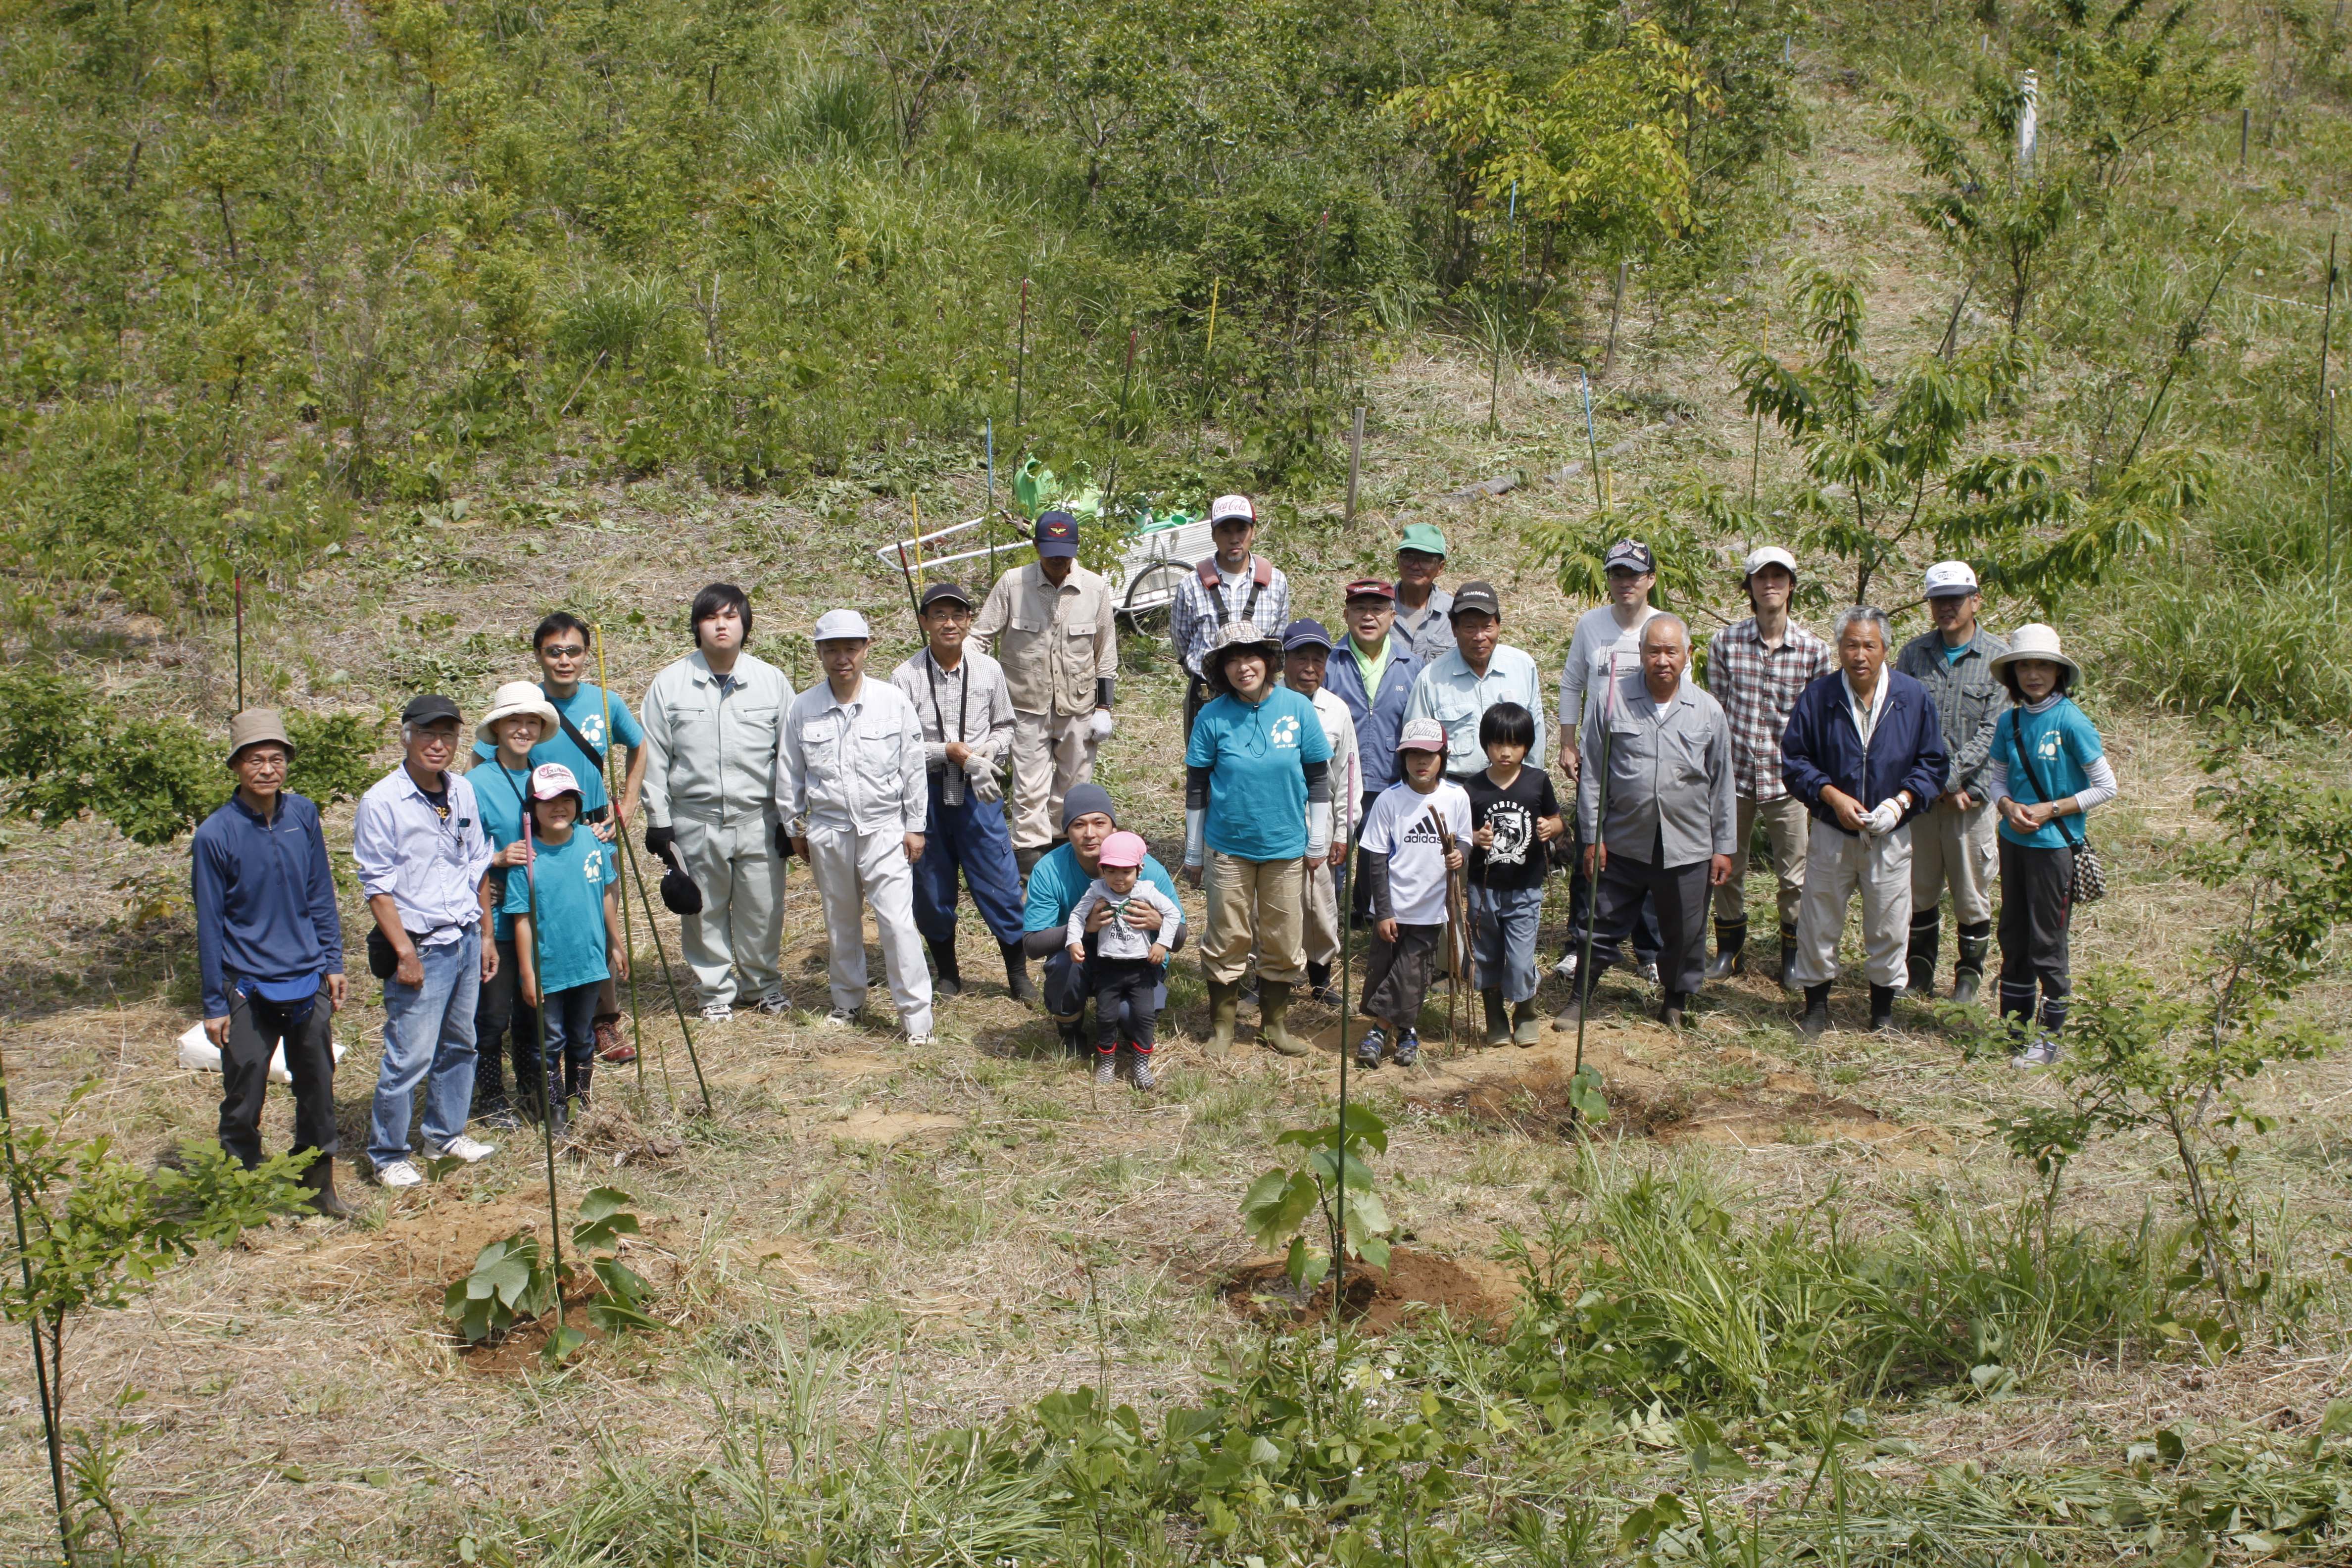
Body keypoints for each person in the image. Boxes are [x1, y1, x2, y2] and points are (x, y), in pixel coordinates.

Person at [192, 710, 349, 1216]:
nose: (267, 769)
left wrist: (334, 960)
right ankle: (245, 1193)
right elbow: (211, 923)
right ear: (237, 766)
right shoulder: (216, 835)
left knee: (317, 1089)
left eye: (276, 759)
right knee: (246, 1089)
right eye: (255, 759)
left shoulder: (303, 815)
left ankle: (316, 1187)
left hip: (307, 977)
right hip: (248, 984)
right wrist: (215, 1001)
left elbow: (319, 891)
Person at [471, 611, 644, 1065]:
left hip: (593, 829)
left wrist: (627, 805)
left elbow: (639, 745)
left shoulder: (607, 702)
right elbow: (480, 770)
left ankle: (602, 1019)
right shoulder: (527, 710)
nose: (564, 660)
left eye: (573, 651)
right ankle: (547, 1021)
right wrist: (487, 855)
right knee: (547, 922)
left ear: (587, 656)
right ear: (539, 655)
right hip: (539, 832)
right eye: (554, 651)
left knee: (594, 919)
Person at [1559, 617, 1735, 1031]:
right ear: (1640, 654)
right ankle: (1579, 999)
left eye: (1671, 652)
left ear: (1687, 656)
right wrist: (1593, 835)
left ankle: (1674, 1002)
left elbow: (1722, 784)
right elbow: (1593, 777)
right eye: (1653, 651)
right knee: (1599, 923)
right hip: (1623, 840)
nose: (1662, 660)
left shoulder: (1708, 711)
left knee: (1685, 930)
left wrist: (1723, 846)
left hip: (1688, 844)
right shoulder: (1612, 700)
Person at [1780, 608, 1950, 1037]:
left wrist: (1903, 801)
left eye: (1869, 645)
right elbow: (1795, 760)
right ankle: (1816, 1009)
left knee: (1890, 923)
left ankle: (1883, 1014)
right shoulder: (1819, 697)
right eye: (1851, 645)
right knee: (1819, 919)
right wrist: (1831, 796)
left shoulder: (1912, 697)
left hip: (1891, 833)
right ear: (1839, 649)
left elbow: (1933, 763)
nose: (1860, 655)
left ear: (1885, 649)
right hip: (1833, 832)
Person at [353, 695, 499, 1189]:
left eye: (448, 735)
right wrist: (404, 952)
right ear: (406, 736)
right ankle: (389, 1152)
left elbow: (477, 862)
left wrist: (485, 934)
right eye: (427, 734)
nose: (438, 745)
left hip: (464, 935)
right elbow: (378, 886)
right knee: (409, 1055)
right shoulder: (382, 801)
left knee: (462, 1044)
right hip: (421, 944)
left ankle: (445, 1135)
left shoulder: (462, 792)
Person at [639, 583, 795, 1022]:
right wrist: (660, 821)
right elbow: (653, 755)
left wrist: (790, 818)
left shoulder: (771, 682)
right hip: (696, 820)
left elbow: (790, 755)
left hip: (759, 820)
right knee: (703, 911)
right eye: (711, 617)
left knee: (763, 909)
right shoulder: (670, 685)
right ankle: (715, 994)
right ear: (697, 626)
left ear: (746, 624)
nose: (721, 625)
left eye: (731, 616)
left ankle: (762, 986)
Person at [778, 609, 934, 1042]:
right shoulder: (803, 708)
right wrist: (794, 826)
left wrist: (915, 825)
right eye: (831, 649)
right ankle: (848, 1002)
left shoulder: (892, 701)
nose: (841, 658)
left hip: (885, 828)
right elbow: (790, 770)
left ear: (867, 649)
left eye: (850, 648)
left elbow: (912, 767)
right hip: (829, 829)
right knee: (840, 920)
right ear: (820, 653)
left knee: (899, 923)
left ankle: (917, 1020)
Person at [1184, 620, 1334, 1058]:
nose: (1242, 667)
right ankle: (1223, 1027)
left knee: (1284, 938)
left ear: (1268, 662)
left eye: (1250, 657)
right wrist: (1194, 851)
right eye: (1232, 659)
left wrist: (1318, 839)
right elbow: (1197, 787)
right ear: (1222, 670)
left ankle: (1275, 1026)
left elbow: (1318, 777)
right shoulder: (1212, 716)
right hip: (1228, 846)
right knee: (1227, 935)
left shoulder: (1298, 708)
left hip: (1286, 847)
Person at [1703, 546, 1835, 989]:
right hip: (1736, 776)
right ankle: (1729, 950)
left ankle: (1792, 956)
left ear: (1792, 585)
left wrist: (1816, 781)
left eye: (1779, 576)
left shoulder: (1814, 651)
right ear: (1750, 588)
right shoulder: (1726, 644)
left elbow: (1819, 723)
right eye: (1762, 578)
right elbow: (1717, 714)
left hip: (1789, 782)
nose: (1770, 584)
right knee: (1727, 867)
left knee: (1794, 876)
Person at [891, 582, 1031, 1002]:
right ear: (924, 623)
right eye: (939, 616)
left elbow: (1006, 725)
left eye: (957, 615)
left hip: (979, 792)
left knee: (999, 881)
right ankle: (948, 972)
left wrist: (990, 748)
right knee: (931, 886)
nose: (949, 624)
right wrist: (948, 751)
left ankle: (1017, 972)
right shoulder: (905, 676)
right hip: (927, 794)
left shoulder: (988, 670)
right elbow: (899, 745)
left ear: (970, 621)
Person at [1985, 625, 2115, 1068]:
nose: (2033, 674)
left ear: (2058, 673)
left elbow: (2105, 786)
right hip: (2013, 843)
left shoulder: (2072, 721)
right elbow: (1996, 776)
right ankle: (2013, 1030)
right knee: (2013, 935)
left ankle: (2048, 1038)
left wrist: (2048, 810)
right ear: (2013, 674)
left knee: (2047, 941)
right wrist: (2005, 806)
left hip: (2053, 848)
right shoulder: (2011, 721)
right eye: (2025, 665)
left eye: (2042, 665)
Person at [973, 511, 1119, 874]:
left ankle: (1065, 864)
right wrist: (962, 671)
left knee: (1073, 789)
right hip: (1025, 707)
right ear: (1036, 546)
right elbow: (980, 637)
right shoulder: (1012, 584)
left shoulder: (1096, 588)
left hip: (1079, 708)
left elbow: (1106, 653)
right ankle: (1031, 874)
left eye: (1065, 552)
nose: (1058, 560)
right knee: (1029, 792)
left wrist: (1105, 707)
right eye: (1051, 551)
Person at [1895, 561, 2010, 1006]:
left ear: (1975, 601)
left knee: (1971, 890)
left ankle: (1968, 975)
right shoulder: (1913, 655)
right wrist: (1934, 782)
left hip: (1971, 799)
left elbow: (1992, 731)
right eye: (1939, 601)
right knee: (1920, 886)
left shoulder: (1998, 659)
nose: (1946, 608)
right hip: (1923, 798)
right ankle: (1920, 968)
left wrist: (1953, 780)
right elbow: (1905, 720)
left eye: (1955, 600)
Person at [1557, 539, 1664, 984]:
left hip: (1647, 756)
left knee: (1650, 854)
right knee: (1590, 848)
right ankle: (1580, 945)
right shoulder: (1591, 625)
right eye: (1618, 575)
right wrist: (1567, 742)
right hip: (1599, 757)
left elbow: (1682, 691)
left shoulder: (1664, 627)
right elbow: (1571, 684)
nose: (1626, 583)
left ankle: (1649, 949)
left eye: (1635, 575)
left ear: (1651, 581)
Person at [503, 765, 628, 1133]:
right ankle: (555, 1107)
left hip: (590, 961)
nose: (559, 808)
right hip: (550, 969)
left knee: (582, 1036)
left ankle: (580, 1100)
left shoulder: (593, 842)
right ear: (532, 809)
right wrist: (528, 973)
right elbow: (522, 920)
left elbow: (607, 893)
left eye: (567, 800)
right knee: (551, 1040)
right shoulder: (526, 859)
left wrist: (616, 942)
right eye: (548, 801)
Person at [1020, 784, 1186, 1056]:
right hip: (1081, 960)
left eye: (1099, 823)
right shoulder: (1050, 870)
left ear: (1114, 828)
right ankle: (1070, 1030)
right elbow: (1033, 945)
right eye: (1078, 825)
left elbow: (1179, 938)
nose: (1089, 834)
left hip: (1137, 963)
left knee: (1133, 1019)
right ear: (1066, 831)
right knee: (1064, 966)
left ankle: (1125, 1021)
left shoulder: (1147, 868)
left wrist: (1158, 922)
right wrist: (1085, 928)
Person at [467, 682, 559, 1127]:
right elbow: (455, 853)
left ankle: (531, 1088)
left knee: (533, 1008)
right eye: (514, 722)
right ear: (497, 728)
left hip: (542, 916)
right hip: (498, 916)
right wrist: (496, 858)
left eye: (531, 722)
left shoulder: (547, 774)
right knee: (492, 1013)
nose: (523, 730)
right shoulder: (474, 783)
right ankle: (490, 1097)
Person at [1355, 719, 1470, 1069]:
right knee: (1384, 969)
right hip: (1394, 905)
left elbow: (1465, 839)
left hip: (1432, 906)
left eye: (1429, 755)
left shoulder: (1456, 797)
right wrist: (1385, 911)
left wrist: (1460, 853)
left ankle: (1378, 1030)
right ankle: (1407, 1032)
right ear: (1403, 758)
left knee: (1411, 970)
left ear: (1443, 758)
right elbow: (1374, 858)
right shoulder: (1390, 801)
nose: (1421, 762)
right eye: (1413, 754)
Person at [1464, 702, 1562, 1047]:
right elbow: (1462, 835)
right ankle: (1495, 1018)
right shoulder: (1473, 788)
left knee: (1520, 959)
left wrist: (1550, 828)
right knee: (1487, 955)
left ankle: (1526, 1012)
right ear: (1485, 744)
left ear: (1527, 746)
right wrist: (1476, 838)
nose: (1506, 752)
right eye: (1497, 744)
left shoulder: (1538, 781)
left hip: (1525, 888)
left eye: (1516, 744)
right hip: (1483, 890)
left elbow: (1557, 819)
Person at [1323, 578, 1422, 919]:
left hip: (1389, 778)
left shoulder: (1412, 667)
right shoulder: (1329, 663)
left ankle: (1367, 915)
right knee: (1333, 852)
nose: (1369, 617)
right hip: (1337, 780)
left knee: (1376, 854)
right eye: (1360, 609)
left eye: (1378, 609)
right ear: (1346, 615)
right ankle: (1328, 918)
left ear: (1393, 616)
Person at [1065, 831, 1187, 1089]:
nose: (1119, 879)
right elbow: (1077, 916)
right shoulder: (1097, 890)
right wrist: (1074, 940)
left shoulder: (1147, 891)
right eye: (1111, 872)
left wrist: (1162, 943)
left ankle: (1141, 1063)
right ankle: (1106, 1061)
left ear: (1139, 869)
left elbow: (1173, 914)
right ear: (1102, 870)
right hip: (1108, 967)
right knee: (1105, 1016)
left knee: (1144, 1017)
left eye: (1126, 872)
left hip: (1141, 969)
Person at [1280, 619, 1362, 1004]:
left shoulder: (1336, 710)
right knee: (1272, 903)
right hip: (1274, 817)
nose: (1310, 667)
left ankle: (1320, 978)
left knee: (1318, 902)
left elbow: (1348, 776)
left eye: (1318, 659)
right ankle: (1272, 979)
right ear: (1284, 661)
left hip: (1320, 819)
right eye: (1301, 658)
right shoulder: (1265, 703)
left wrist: (1344, 831)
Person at [1168, 495, 1291, 742]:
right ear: (1214, 535)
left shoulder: (1275, 581)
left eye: (1241, 529)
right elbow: (1181, 642)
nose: (1234, 539)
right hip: (1206, 694)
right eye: (1225, 531)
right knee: (1204, 769)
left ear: (1253, 532)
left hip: (1259, 694)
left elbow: (1278, 637)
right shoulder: (1191, 585)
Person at [1401, 580, 1547, 779]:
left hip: (1512, 788)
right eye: (1470, 627)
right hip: (1456, 790)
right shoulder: (1431, 678)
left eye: (1487, 627)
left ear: (1499, 626)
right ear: (1454, 629)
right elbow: (1417, 744)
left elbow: (1536, 733)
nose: (1480, 637)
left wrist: (1531, 785)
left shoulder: (1522, 666)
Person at [1391, 522, 1456, 664]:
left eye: (1426, 561)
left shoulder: (1453, 613)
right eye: (1408, 558)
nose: (1415, 566)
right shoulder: (1378, 607)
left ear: (1440, 568)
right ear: (1398, 561)